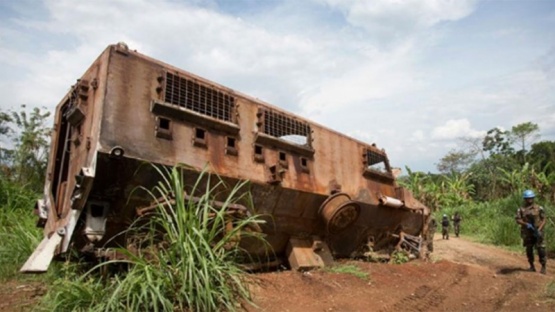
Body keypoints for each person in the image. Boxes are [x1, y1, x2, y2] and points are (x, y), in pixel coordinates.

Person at [515, 190, 546, 274]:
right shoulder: (521, 209)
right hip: (527, 232)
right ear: (525, 199)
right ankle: (532, 266)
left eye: (531, 198)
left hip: (538, 231)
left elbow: (543, 220)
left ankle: (543, 266)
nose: (530, 200)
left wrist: (539, 230)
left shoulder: (539, 208)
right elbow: (518, 220)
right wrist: (526, 224)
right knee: (529, 249)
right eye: (528, 198)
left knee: (541, 248)